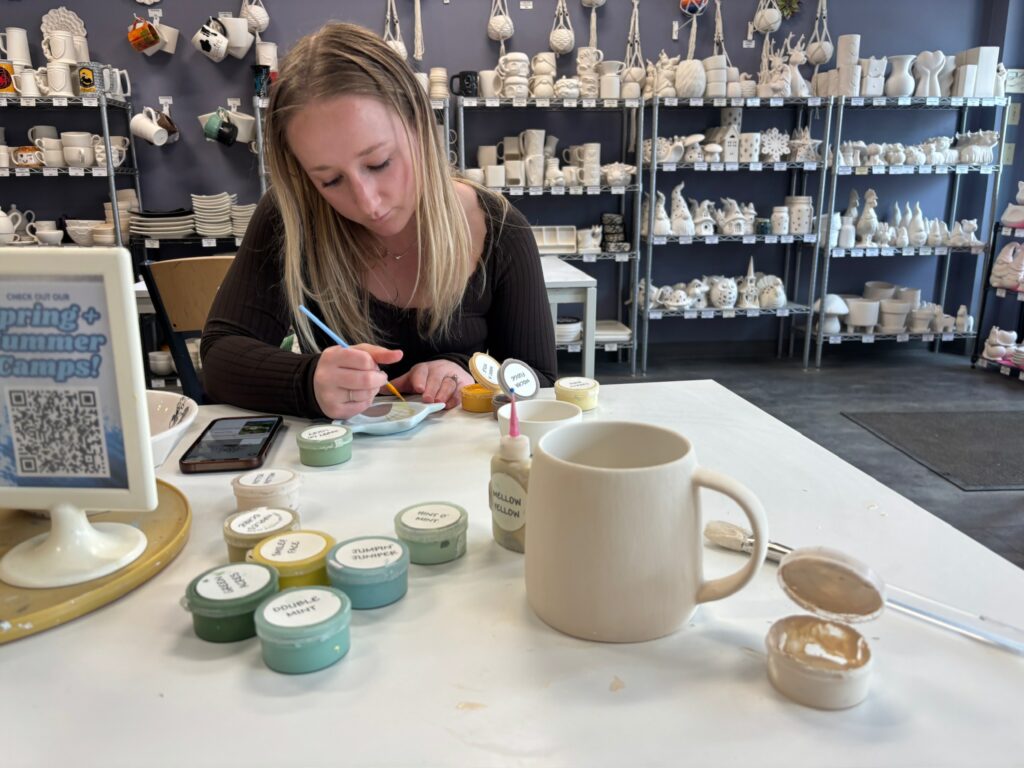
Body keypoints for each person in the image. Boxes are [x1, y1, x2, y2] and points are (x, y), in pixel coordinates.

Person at [201, 22, 556, 420]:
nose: (367, 203)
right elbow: (219, 356)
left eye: (379, 162)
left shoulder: (501, 230)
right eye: (330, 180)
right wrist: (306, 381)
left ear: (419, 124)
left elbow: (538, 379)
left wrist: (463, 373)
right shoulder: (291, 217)